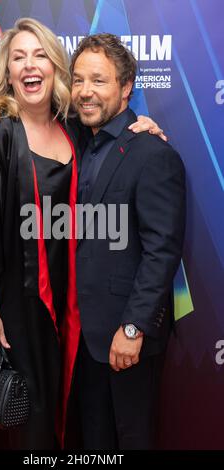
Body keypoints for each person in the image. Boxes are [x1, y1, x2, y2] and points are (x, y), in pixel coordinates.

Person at [0, 18, 166, 450]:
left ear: (54, 67)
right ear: (7, 71)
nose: (30, 66)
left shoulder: (70, 128)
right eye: (18, 58)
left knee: (62, 417)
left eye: (39, 56)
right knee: (26, 422)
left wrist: (142, 125)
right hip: (16, 303)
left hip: (67, 302)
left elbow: (114, 140)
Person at [71, 33, 186, 450]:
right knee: (91, 441)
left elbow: (162, 251)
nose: (86, 91)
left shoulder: (154, 155)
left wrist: (133, 327)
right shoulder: (78, 140)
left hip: (125, 335)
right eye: (79, 80)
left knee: (129, 440)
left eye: (99, 81)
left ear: (126, 87)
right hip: (82, 335)